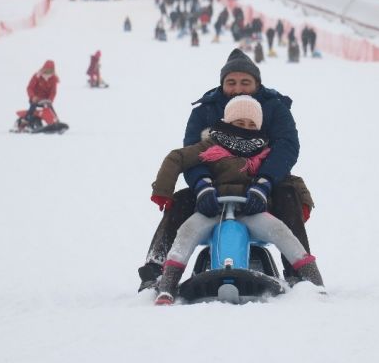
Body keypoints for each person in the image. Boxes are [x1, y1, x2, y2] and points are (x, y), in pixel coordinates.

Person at [138, 48, 314, 291]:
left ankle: (299, 275)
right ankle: (155, 271)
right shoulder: (206, 110)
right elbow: (192, 153)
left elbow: (286, 147)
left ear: (257, 83)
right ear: (222, 84)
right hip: (214, 187)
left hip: (263, 186)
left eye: (245, 82)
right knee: (180, 202)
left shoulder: (274, 107)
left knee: (287, 195)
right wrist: (201, 185)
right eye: (231, 82)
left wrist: (264, 183)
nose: (238, 88)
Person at [150, 95, 324, 305]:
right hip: (212, 210)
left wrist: (304, 202)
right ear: (227, 122)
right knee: (186, 233)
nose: (245, 128)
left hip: (251, 211)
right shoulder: (209, 147)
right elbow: (176, 158)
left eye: (251, 124)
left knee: (281, 232)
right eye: (239, 123)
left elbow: (290, 178)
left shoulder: (263, 152)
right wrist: (163, 190)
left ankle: (313, 282)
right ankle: (167, 287)